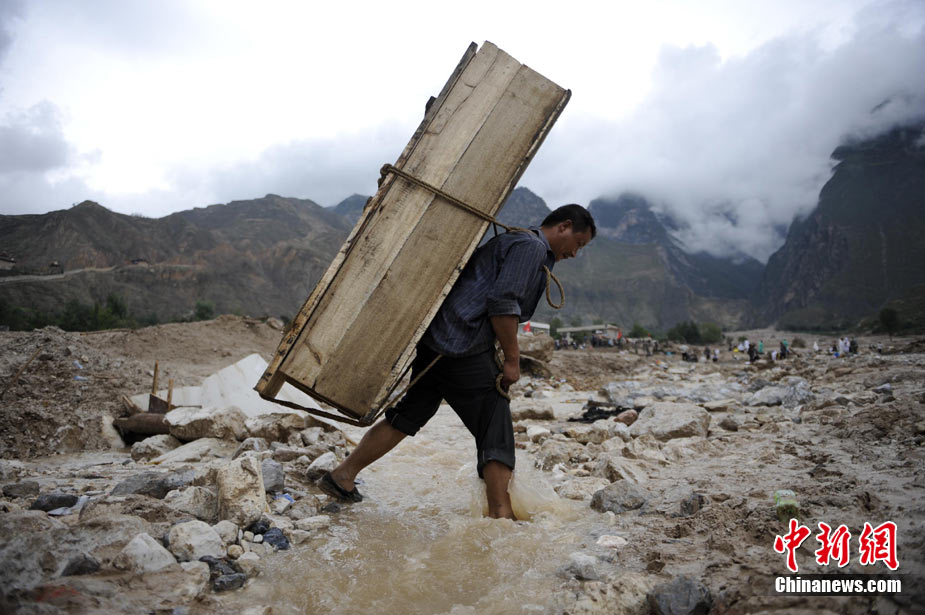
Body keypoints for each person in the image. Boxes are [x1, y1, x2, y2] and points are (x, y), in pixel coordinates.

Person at [319, 204, 596, 519]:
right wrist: (512, 359)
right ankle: (500, 515)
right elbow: (503, 302)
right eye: (579, 244)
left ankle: (343, 475)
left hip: (438, 338)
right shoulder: (531, 247)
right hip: (461, 341)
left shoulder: (517, 241)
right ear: (564, 227)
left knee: (409, 414)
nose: (575, 254)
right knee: (495, 419)